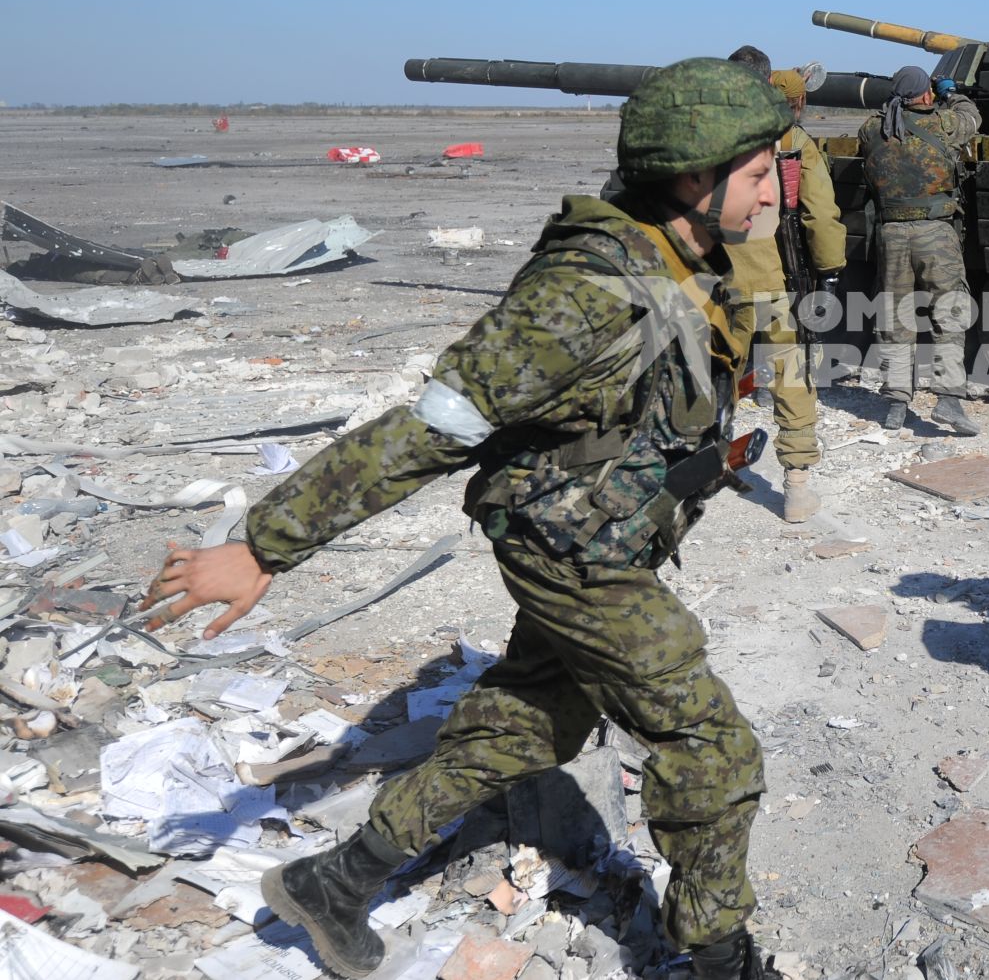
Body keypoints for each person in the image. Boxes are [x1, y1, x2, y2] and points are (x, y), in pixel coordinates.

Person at [140, 58, 790, 980]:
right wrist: (263, 544)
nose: (773, 193)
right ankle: (722, 963)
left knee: (528, 725)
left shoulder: (670, 254)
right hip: (574, 555)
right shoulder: (583, 295)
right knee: (711, 746)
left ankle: (336, 880)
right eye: (759, 173)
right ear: (694, 179)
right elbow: (430, 429)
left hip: (597, 535)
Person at [729, 64, 847, 521]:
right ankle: (796, 487)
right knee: (791, 377)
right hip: (770, 277)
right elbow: (818, 215)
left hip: (710, 280)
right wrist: (830, 271)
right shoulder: (792, 142)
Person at [857, 64, 982, 435]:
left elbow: (882, 124)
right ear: (926, 94)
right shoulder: (944, 124)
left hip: (891, 232)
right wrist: (950, 90)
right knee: (949, 312)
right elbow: (972, 116)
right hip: (935, 232)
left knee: (895, 317)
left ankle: (896, 403)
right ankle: (948, 400)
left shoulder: (870, 129)